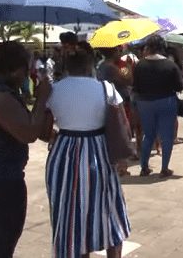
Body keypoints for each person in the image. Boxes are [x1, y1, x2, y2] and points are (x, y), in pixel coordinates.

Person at [44, 42, 130, 258]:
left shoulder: (53, 90)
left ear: (66, 67)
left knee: (69, 212)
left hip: (63, 152)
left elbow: (43, 130)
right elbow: (122, 124)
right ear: (90, 67)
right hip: (98, 151)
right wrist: (123, 157)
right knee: (109, 209)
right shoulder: (106, 88)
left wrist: (57, 135)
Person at [0, 42, 51, 257]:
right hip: (1, 186)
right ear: (15, 69)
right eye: (27, 70)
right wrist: (42, 96)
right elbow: (28, 133)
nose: (28, 75)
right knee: (0, 245)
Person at [133, 35, 183, 177]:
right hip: (166, 101)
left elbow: (135, 87)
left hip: (144, 103)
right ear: (162, 47)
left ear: (148, 47)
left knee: (148, 135)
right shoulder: (170, 65)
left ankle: (144, 167)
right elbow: (179, 86)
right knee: (166, 136)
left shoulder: (139, 65)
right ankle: (164, 168)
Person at [97, 46, 134, 176]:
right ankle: (121, 166)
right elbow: (128, 80)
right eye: (119, 51)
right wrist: (129, 66)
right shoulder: (112, 68)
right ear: (114, 52)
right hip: (117, 104)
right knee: (122, 131)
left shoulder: (101, 66)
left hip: (107, 101)